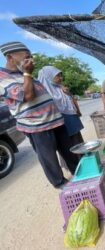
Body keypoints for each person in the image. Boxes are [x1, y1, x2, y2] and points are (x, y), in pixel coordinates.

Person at [0, 41, 79, 188]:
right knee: (49, 159)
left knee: (70, 153)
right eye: (26, 56)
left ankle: (80, 175)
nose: (31, 60)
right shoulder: (3, 76)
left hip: (55, 120)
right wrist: (27, 73)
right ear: (11, 57)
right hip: (37, 126)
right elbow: (27, 95)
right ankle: (61, 184)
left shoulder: (23, 74)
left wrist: (26, 74)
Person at [38, 66, 84, 146]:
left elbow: (71, 99)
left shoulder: (60, 87)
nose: (61, 78)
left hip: (72, 120)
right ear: (49, 76)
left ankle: (82, 157)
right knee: (67, 146)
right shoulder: (43, 92)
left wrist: (77, 110)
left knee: (78, 141)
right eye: (58, 75)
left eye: (60, 75)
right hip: (61, 122)